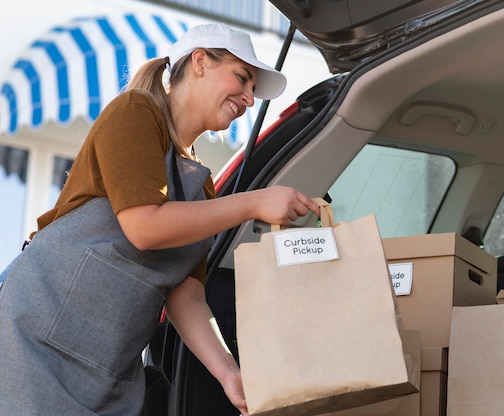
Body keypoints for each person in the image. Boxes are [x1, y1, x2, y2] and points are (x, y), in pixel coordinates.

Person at [0, 23, 320, 415]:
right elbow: (145, 226)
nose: (250, 99)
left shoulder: (200, 188)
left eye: (253, 89)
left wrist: (228, 375)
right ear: (200, 62)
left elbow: (186, 294)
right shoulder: (135, 110)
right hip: (34, 336)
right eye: (242, 78)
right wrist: (254, 203)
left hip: (108, 367)